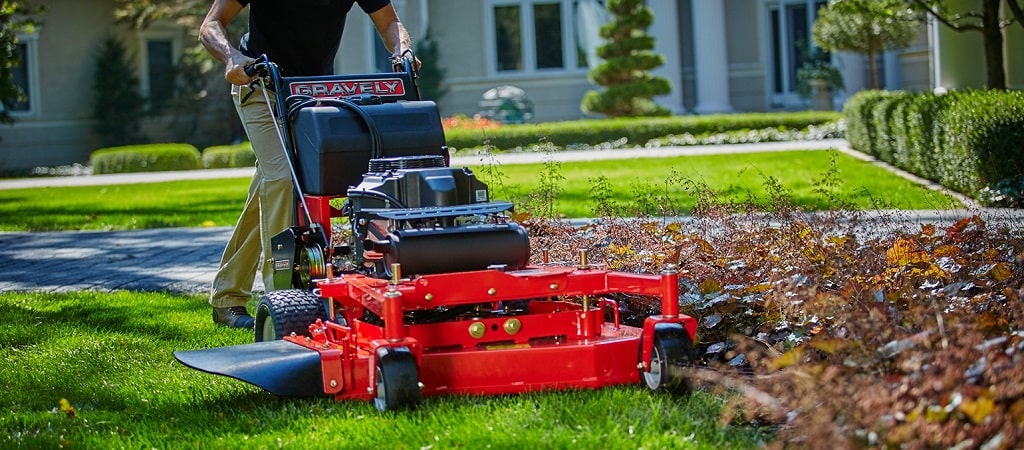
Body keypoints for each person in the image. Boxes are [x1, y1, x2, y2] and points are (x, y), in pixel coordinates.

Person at [199, 0, 419, 328]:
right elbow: (210, 25)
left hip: (312, 93)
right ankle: (282, 297)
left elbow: (389, 23)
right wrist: (231, 56)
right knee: (283, 178)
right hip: (261, 86)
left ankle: (227, 298)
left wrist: (403, 51)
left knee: (275, 183)